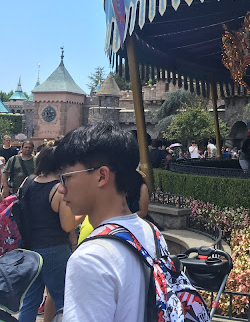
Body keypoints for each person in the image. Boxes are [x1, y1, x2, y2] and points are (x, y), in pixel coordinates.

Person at [55, 123, 164, 321]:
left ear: (102, 176)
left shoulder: (91, 258)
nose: (61, 189)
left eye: (65, 177)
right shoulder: (152, 232)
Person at [17, 146, 78, 322]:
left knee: (30, 301)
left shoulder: (27, 183)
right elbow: (67, 225)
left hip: (29, 250)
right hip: (55, 249)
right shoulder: (59, 189)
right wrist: (83, 214)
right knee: (63, 300)